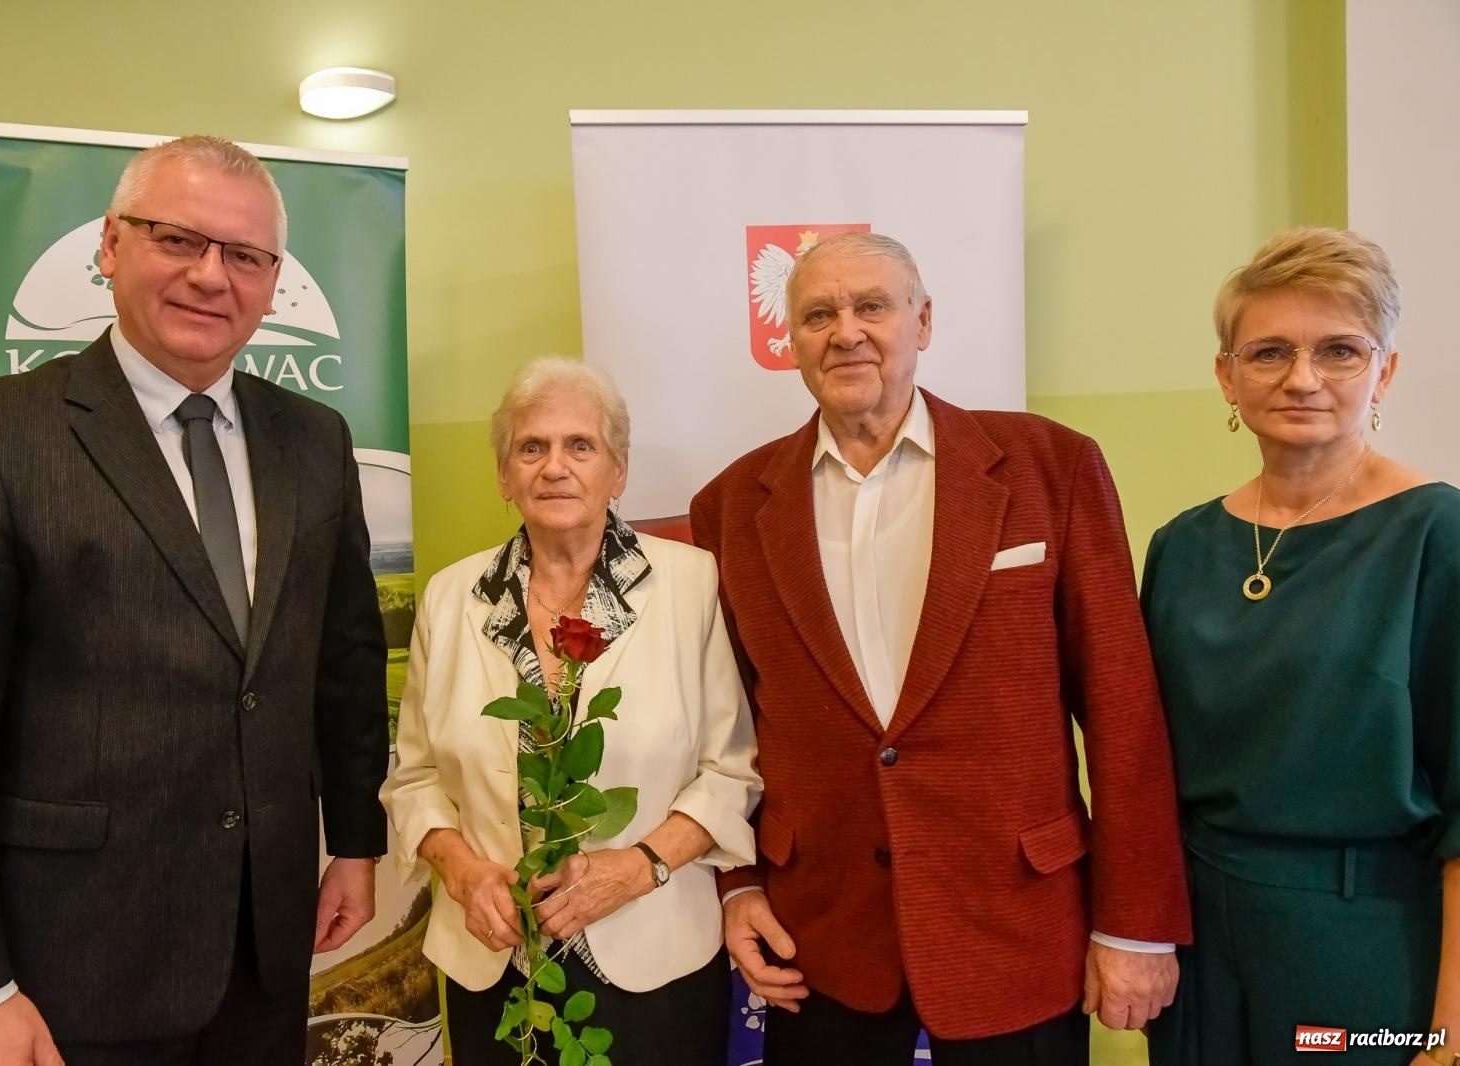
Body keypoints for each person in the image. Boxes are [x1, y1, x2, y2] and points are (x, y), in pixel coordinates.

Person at [0, 135, 389, 1065]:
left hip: (266, 950)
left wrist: (354, 839)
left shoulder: (314, 439)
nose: (210, 277)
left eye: (245, 256)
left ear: (272, 282)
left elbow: (342, 660)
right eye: (178, 240)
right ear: (110, 245)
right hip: (70, 964)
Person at [689, 231, 1192, 1066]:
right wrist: (737, 882)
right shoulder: (733, 505)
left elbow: (1123, 712)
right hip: (821, 938)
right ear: (792, 343)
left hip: (1018, 927)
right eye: (818, 313)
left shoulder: (1048, 466)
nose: (846, 331)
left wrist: (1136, 925)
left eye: (872, 307)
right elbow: (725, 722)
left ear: (924, 322)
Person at [1141, 227, 1460, 1065]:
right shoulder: (1180, 547)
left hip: (1361, 944)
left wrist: (1449, 1032)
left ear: (1384, 371)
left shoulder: (1438, 534)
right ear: (1227, 374)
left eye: (1340, 351)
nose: (1302, 378)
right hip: (1195, 939)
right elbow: (1142, 765)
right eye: (1270, 351)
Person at [384, 356, 760, 1066]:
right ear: (504, 475)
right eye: (532, 447)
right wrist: (462, 871)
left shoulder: (692, 583)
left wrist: (640, 865)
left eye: (579, 446)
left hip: (654, 959)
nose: (555, 466)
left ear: (617, 471)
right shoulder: (449, 596)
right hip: (489, 958)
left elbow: (731, 768)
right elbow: (416, 775)